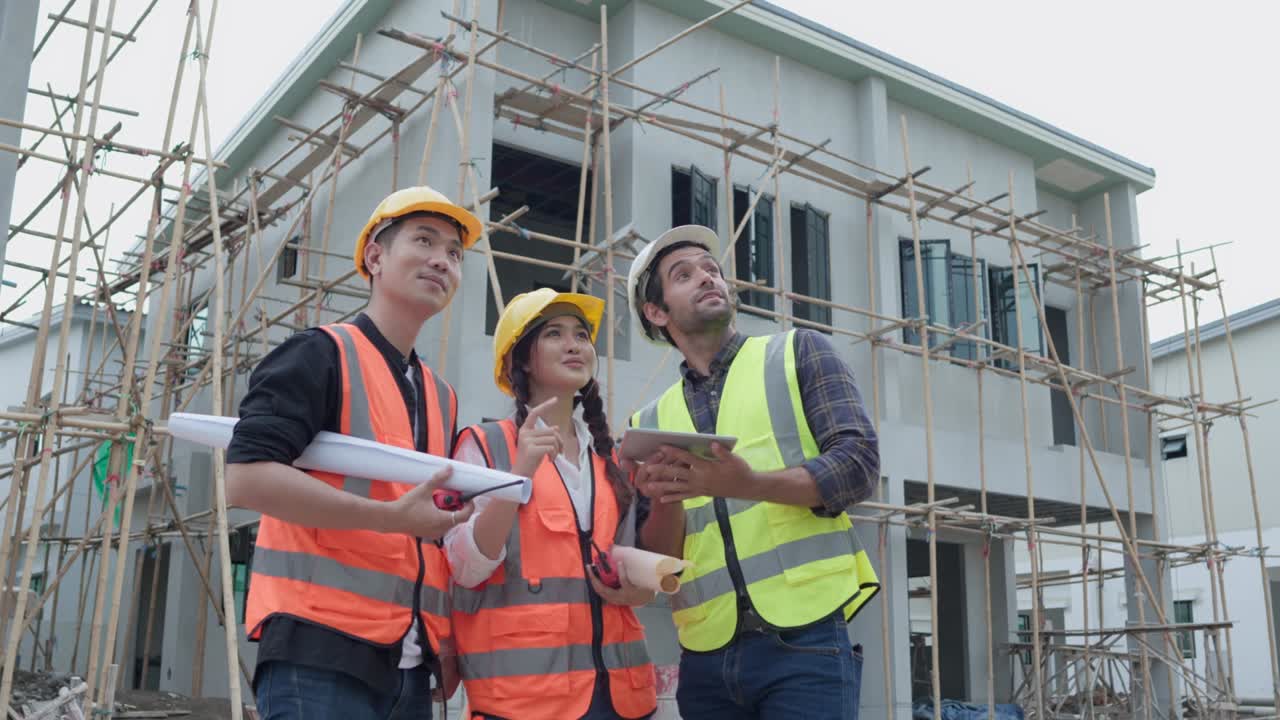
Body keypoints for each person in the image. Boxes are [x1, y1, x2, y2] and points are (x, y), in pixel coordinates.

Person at [225, 186, 483, 720]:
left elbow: (427, 532)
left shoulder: (441, 396)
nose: (443, 260)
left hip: (410, 666)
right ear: (375, 256)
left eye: (454, 253)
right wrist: (390, 518)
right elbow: (246, 479)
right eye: (424, 241)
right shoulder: (319, 354)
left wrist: (443, 641)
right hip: (318, 651)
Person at [625, 225, 881, 720]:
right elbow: (659, 563)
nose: (708, 278)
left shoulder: (798, 353)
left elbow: (858, 465)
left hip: (806, 640)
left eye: (712, 269)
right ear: (656, 312)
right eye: (684, 275)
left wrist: (749, 485)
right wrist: (665, 497)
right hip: (706, 657)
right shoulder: (649, 423)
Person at [444, 288, 658, 720]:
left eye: (581, 335)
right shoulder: (485, 445)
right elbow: (466, 568)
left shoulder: (609, 458)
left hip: (622, 697)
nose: (574, 344)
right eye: (554, 334)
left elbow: (630, 564)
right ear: (522, 359)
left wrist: (642, 586)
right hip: (525, 700)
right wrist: (518, 474)